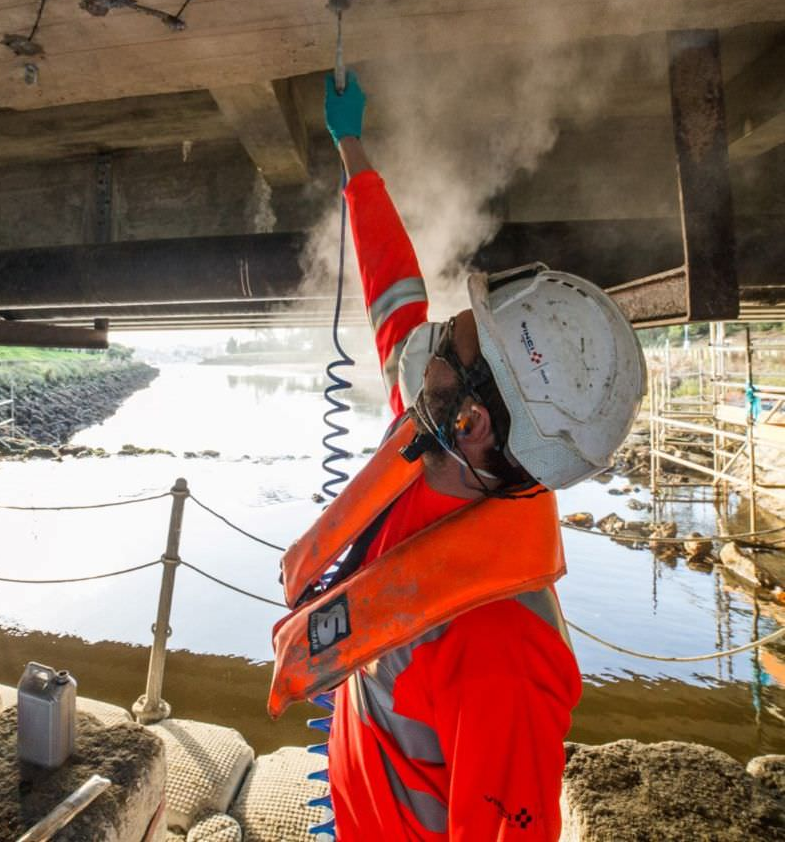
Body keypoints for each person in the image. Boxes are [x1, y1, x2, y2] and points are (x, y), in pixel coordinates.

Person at [268, 72, 646, 841]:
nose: (431, 338)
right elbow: (393, 296)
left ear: (470, 419)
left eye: (449, 343)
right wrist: (354, 151)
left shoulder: (506, 656)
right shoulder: (439, 433)